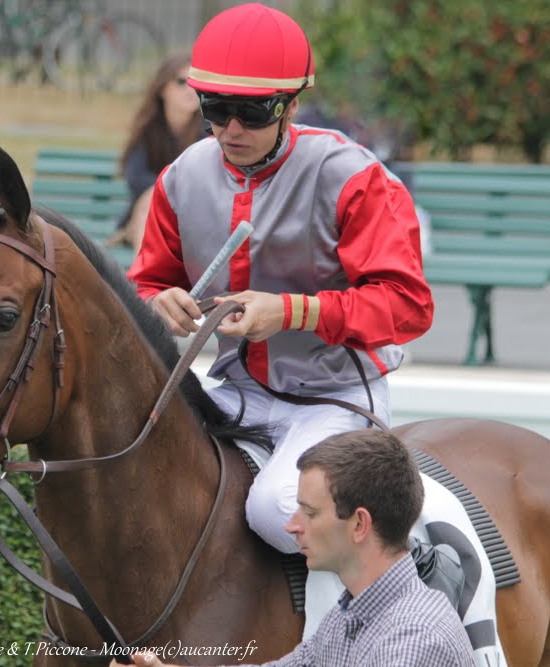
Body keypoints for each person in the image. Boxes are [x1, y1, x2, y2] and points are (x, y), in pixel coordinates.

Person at [127, 0, 433, 630]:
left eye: (253, 111)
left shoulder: (353, 178)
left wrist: (292, 311)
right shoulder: (181, 178)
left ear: (291, 104)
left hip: (339, 394)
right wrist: (157, 303)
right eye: (215, 109)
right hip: (241, 388)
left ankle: (398, 593)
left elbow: (407, 307)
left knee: (275, 510)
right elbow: (143, 283)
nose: (231, 129)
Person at [109, 430, 475, 667]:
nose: (291, 525)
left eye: (310, 512)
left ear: (360, 524)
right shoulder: (351, 614)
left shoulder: (412, 644)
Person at [109, 52, 205, 254]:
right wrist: (166, 189)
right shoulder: (150, 126)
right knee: (151, 197)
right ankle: (144, 282)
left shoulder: (210, 129)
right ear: (163, 89)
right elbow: (135, 177)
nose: (190, 90)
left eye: (196, 82)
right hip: (148, 218)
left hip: (193, 216)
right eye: (181, 81)